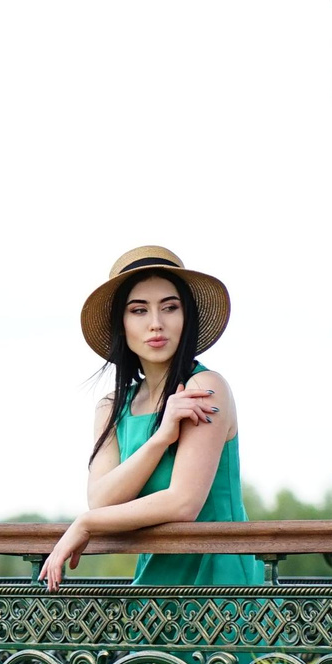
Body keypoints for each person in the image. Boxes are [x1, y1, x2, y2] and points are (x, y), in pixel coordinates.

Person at [39, 246, 263, 589]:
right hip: (154, 590)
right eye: (139, 310)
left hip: (221, 587)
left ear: (186, 317)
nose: (156, 324)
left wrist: (85, 524)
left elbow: (183, 502)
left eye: (170, 308)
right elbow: (102, 499)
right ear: (122, 324)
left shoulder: (205, 387)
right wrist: (161, 438)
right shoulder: (111, 406)